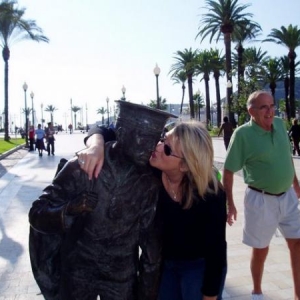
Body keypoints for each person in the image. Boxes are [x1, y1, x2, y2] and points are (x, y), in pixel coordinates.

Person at [29, 101, 174, 300]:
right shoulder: (82, 168)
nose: (149, 147)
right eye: (143, 138)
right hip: (78, 273)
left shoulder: (148, 185)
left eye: (154, 139)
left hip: (121, 278)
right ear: (122, 132)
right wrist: (69, 210)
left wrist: (145, 295)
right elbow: (37, 214)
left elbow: (152, 251)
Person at [78, 121, 228, 300]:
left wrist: (210, 295)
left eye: (167, 149)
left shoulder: (210, 194)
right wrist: (96, 145)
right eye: (163, 139)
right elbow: (105, 130)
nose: (157, 147)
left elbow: (216, 250)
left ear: (185, 166)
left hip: (198, 266)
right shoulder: (151, 170)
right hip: (164, 265)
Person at [223, 90, 300, 300]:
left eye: (272, 105)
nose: (270, 111)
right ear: (251, 111)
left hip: (288, 197)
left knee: (297, 243)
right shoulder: (242, 135)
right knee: (261, 248)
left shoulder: (280, 124)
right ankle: (257, 291)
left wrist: (296, 184)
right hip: (261, 199)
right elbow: (228, 171)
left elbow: (286, 157)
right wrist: (230, 203)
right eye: (264, 107)